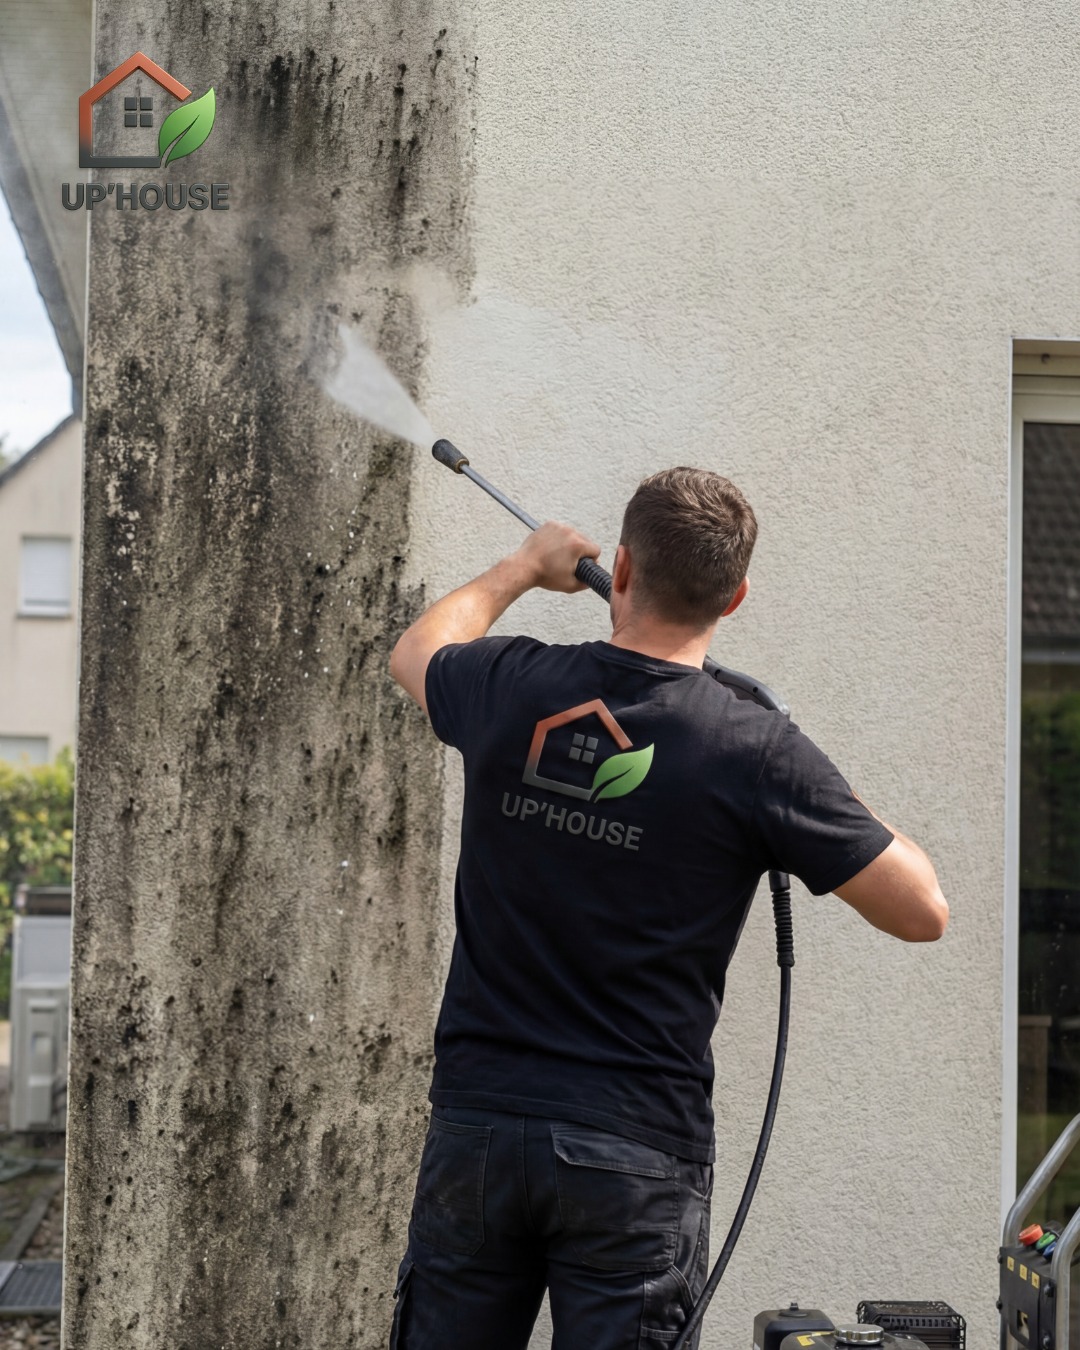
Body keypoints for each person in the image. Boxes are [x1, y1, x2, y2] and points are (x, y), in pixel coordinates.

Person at [387, 467, 948, 1350]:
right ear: (737, 595)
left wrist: (522, 568)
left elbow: (416, 653)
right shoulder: (754, 750)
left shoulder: (513, 686)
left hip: (482, 1132)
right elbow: (923, 907)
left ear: (620, 568)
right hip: (634, 1157)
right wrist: (808, 776)